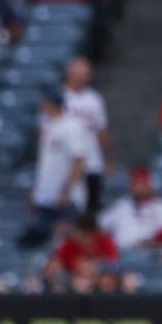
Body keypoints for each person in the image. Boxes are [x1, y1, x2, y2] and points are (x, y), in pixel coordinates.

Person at [19, 90, 88, 247]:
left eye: (45, 103)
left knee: (65, 243)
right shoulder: (48, 126)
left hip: (65, 199)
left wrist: (65, 192)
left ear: (52, 104)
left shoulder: (71, 126)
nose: (42, 107)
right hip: (46, 198)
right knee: (41, 245)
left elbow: (79, 162)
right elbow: (45, 166)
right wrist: (37, 192)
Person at [63, 56, 111, 215]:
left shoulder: (94, 99)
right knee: (66, 211)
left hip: (92, 162)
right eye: (82, 71)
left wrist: (108, 159)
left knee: (91, 212)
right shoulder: (58, 98)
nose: (86, 75)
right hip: (65, 164)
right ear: (71, 72)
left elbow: (102, 131)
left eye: (88, 72)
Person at [99, 168, 162, 250]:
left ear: (149, 185)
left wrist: (147, 242)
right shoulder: (122, 205)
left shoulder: (161, 206)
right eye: (134, 184)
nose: (137, 188)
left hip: (149, 253)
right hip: (122, 254)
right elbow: (100, 224)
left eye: (141, 184)